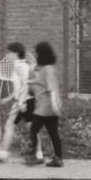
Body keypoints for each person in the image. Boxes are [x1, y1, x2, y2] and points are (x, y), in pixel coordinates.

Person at [0, 42, 36, 163]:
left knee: (11, 126)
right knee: (26, 128)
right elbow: (19, 87)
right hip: (25, 101)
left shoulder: (20, 67)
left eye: (8, 52)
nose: (6, 55)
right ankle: (35, 154)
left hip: (23, 102)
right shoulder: (19, 66)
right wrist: (8, 98)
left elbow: (25, 85)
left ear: (15, 53)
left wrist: (22, 103)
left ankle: (4, 154)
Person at [26, 40, 64, 168]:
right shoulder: (44, 69)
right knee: (53, 133)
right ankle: (58, 159)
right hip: (47, 107)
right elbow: (36, 82)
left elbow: (52, 88)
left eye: (37, 53)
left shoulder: (48, 70)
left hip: (45, 107)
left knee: (33, 130)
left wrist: (53, 104)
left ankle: (33, 156)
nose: (36, 55)